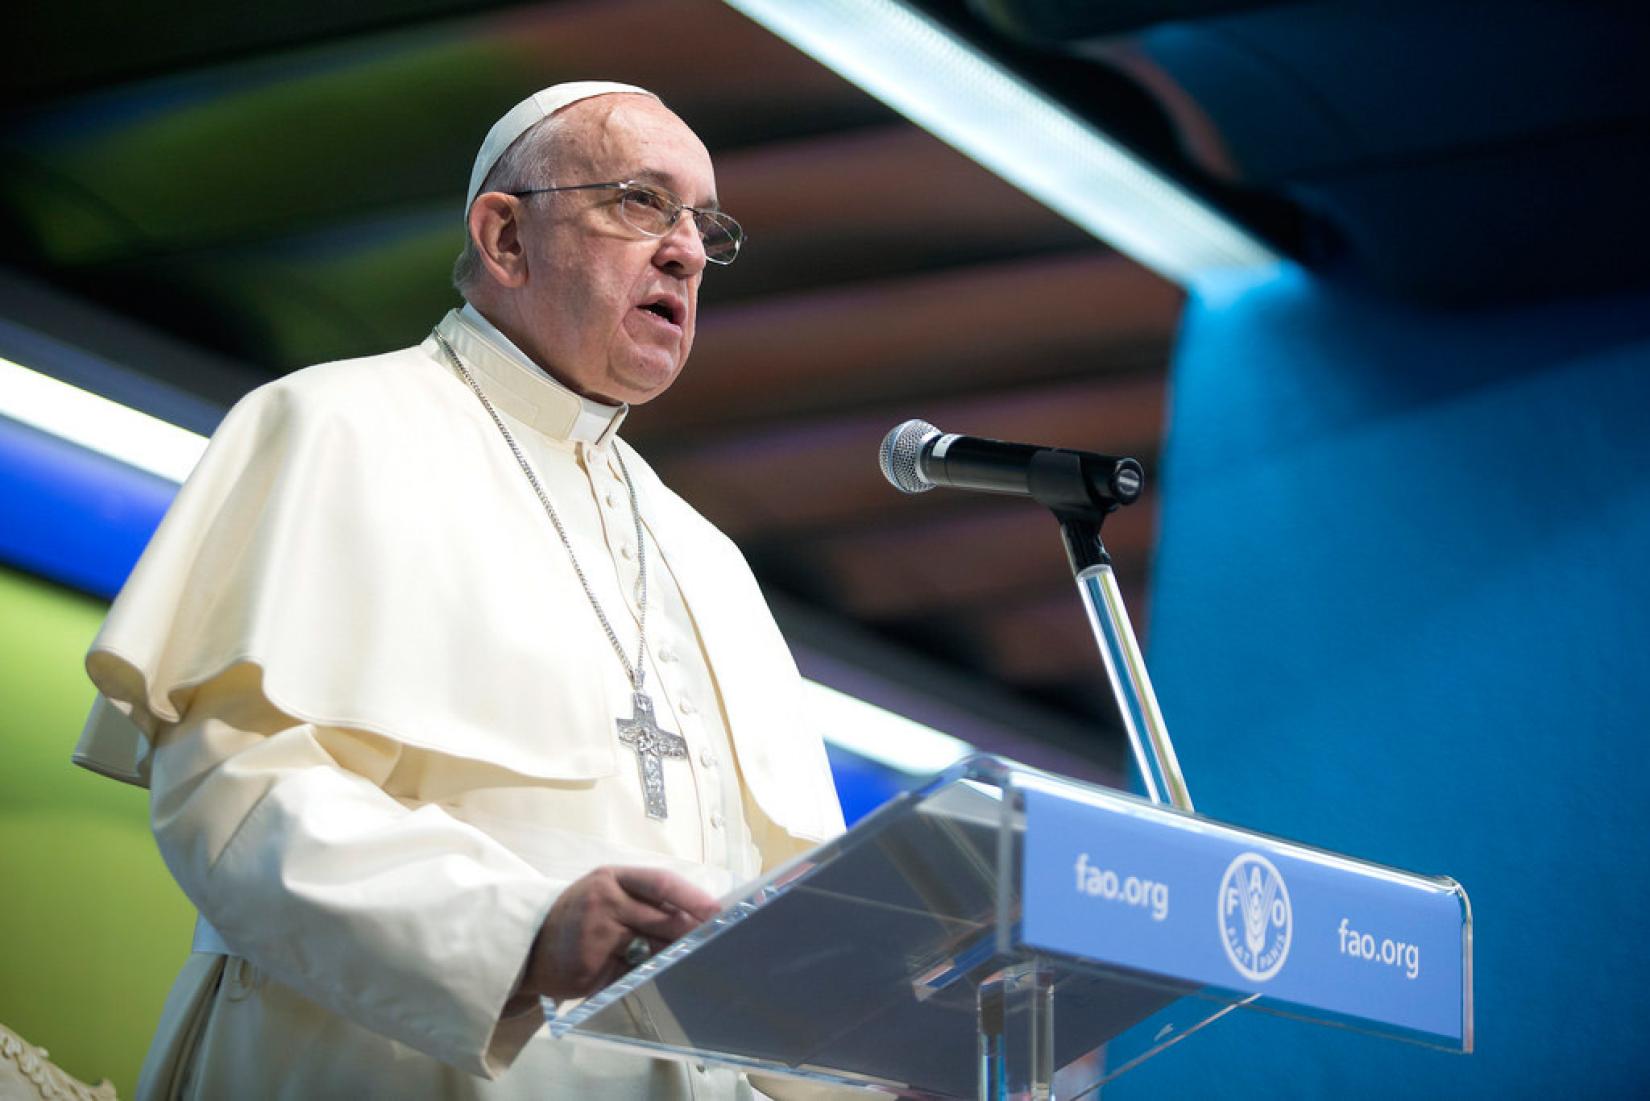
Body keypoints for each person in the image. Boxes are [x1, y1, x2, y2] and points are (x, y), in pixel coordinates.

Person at [73, 81, 847, 1099]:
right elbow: (238, 791)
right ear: (505, 237)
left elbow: (781, 922)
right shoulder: (333, 426)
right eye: (641, 203)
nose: (689, 251)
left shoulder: (707, 558)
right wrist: (527, 932)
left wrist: (884, 1060)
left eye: (706, 227)